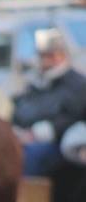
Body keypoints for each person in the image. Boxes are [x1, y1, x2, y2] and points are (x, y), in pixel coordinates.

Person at [12, 27, 86, 176]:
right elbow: (22, 110)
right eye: (43, 56)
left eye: (50, 55)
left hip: (58, 142)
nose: (46, 60)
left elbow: (74, 116)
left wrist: (44, 131)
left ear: (62, 55)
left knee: (30, 156)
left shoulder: (77, 84)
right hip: (25, 136)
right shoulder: (36, 83)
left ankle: (28, 197)